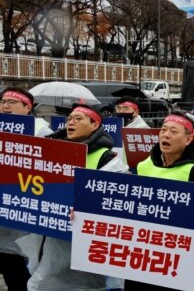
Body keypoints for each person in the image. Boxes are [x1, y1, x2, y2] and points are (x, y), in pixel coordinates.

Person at [20, 104, 128, 291]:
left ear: (95, 125)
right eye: (69, 119)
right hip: (52, 236)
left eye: (79, 119)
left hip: (85, 242)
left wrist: (87, 207)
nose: (71, 122)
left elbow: (117, 200)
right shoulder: (52, 150)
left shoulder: (108, 159)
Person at [124, 111, 194, 291]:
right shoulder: (144, 165)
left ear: (187, 139)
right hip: (143, 248)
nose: (166, 135)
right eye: (163, 130)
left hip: (179, 254)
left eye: (173, 131)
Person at [0, 87, 53, 291]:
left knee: (18, 275)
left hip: (21, 219)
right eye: (3, 101)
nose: (5, 106)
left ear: (27, 107)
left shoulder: (42, 133)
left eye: (12, 102)